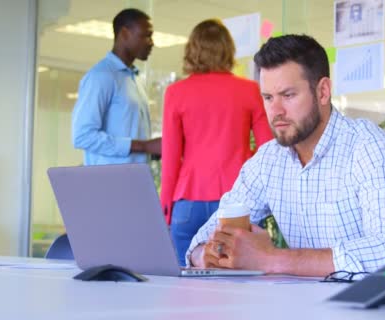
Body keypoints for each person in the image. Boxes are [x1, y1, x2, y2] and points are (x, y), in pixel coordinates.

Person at [187, 34, 385, 276]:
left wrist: (270, 259)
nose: (275, 111)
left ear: (323, 92)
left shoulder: (370, 149)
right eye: (268, 98)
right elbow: (203, 238)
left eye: (288, 95)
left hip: (367, 308)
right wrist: (206, 254)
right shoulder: (269, 160)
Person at [161, 19, 272, 266]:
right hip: (238, 201)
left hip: (188, 199)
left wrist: (165, 209)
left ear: (192, 51)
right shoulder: (250, 90)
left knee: (182, 285)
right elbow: (268, 149)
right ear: (228, 50)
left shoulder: (176, 92)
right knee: (242, 286)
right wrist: (242, 155)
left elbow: (170, 159)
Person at [72, 8, 161, 166]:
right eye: (146, 35)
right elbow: (82, 136)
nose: (151, 43)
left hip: (136, 179)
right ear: (125, 33)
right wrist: (143, 146)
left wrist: (152, 149)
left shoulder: (135, 79)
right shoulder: (101, 76)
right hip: (108, 183)